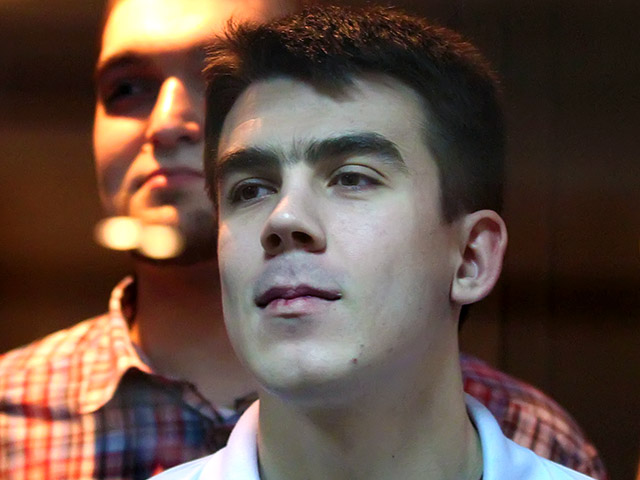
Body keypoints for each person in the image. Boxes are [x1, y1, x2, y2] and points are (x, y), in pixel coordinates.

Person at [0, 0, 606, 479]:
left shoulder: (539, 432)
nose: (282, 218)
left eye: (352, 178)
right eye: (250, 189)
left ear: (471, 256)